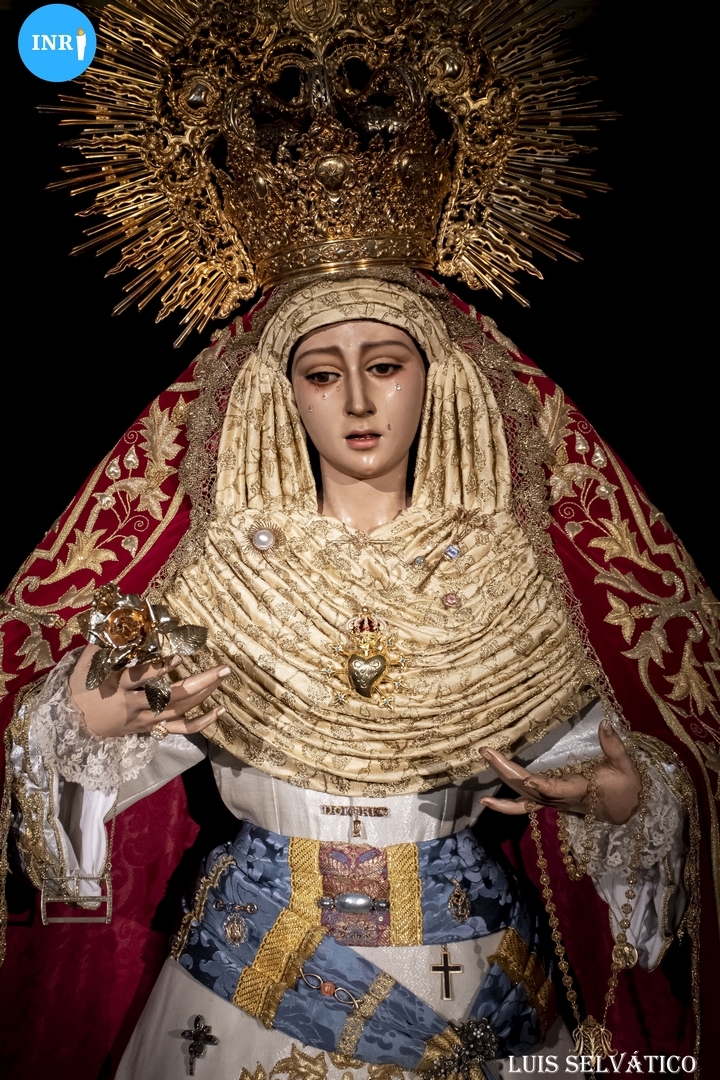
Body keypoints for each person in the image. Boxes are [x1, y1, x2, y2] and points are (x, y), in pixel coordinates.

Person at [1, 1, 716, 1077]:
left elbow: (604, 772)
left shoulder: (507, 578)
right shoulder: (226, 576)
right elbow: (83, 790)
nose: (358, 403)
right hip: (254, 975)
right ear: (280, 395)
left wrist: (624, 802)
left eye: (386, 366)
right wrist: (83, 726)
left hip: (483, 969)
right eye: (322, 374)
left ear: (439, 380)